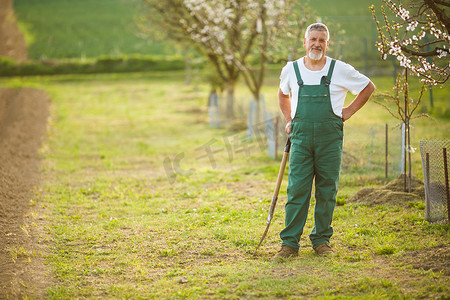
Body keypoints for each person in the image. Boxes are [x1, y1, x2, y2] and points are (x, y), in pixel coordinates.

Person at [275, 23, 375, 259]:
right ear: (305, 41)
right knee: (297, 190)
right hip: (300, 139)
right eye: (313, 39)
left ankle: (321, 241)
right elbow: (282, 93)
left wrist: (348, 111)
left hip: (329, 140)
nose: (317, 44)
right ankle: (289, 244)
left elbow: (368, 87)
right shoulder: (292, 69)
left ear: (327, 44)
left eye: (322, 40)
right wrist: (289, 119)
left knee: (327, 190)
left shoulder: (340, 69)